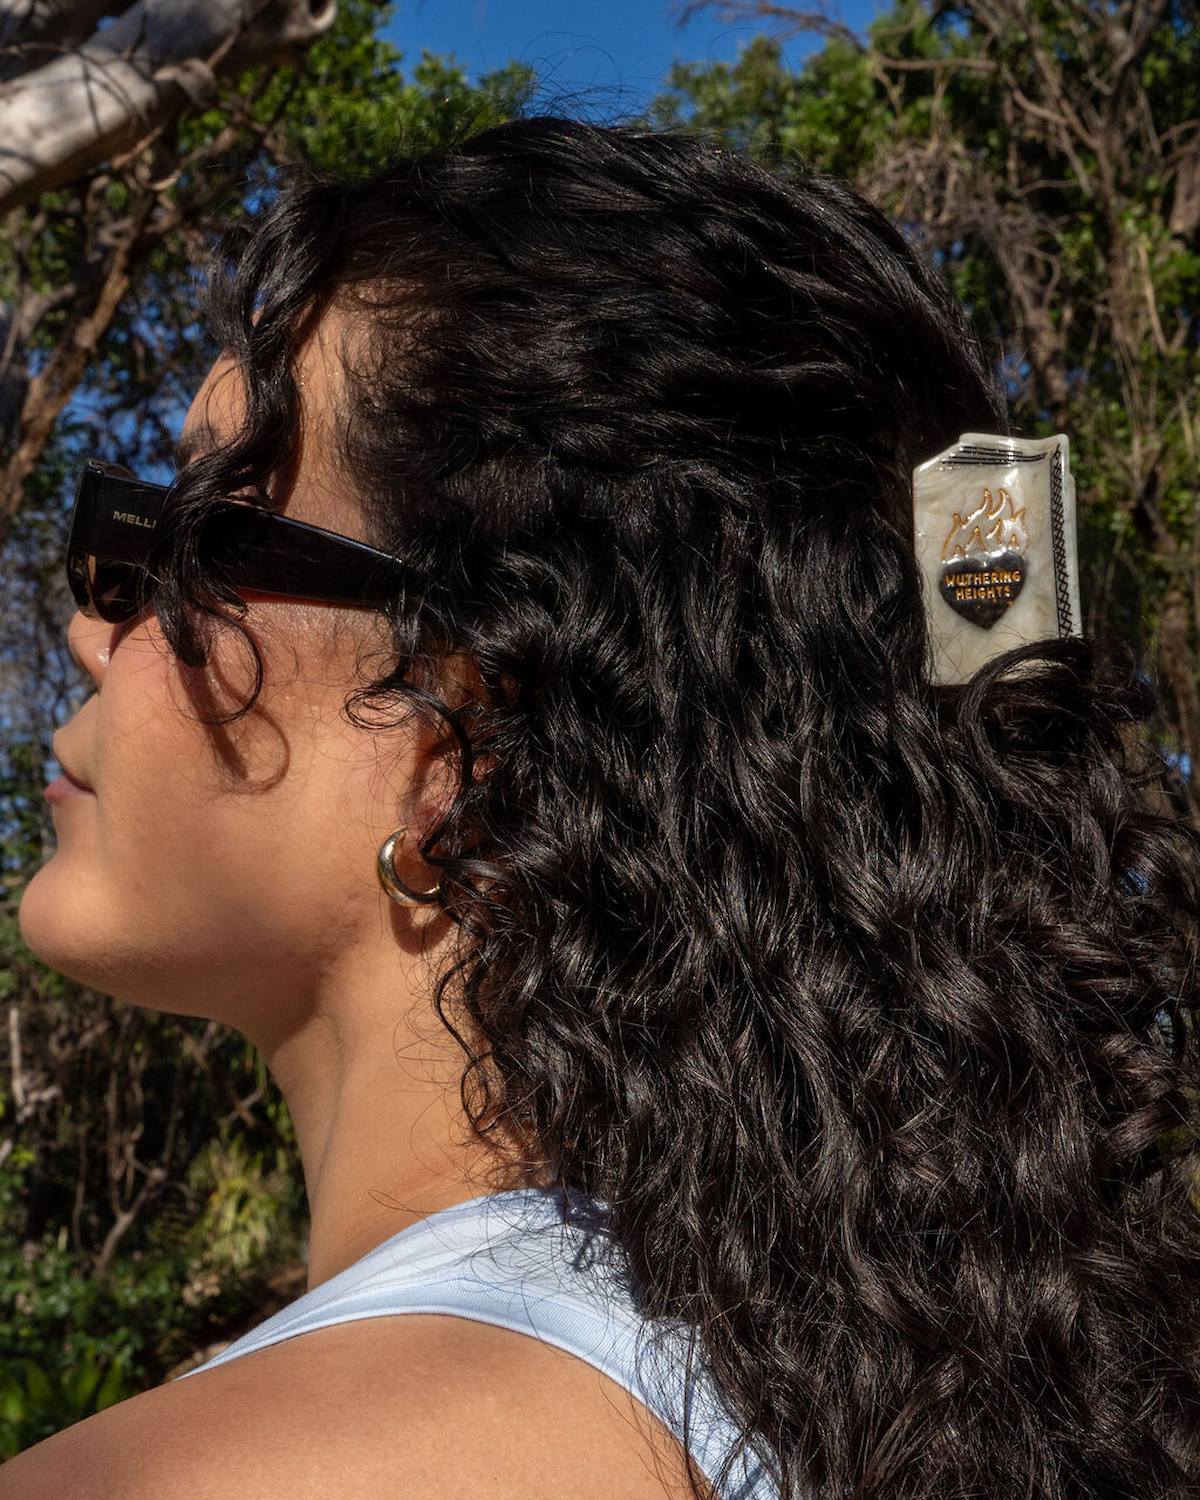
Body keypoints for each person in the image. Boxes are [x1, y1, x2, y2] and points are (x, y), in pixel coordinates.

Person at [9, 115, 1200, 1500]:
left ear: (466, 729)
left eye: (199, 544)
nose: (101, 626)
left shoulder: (259, 1471)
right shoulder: (863, 1369)